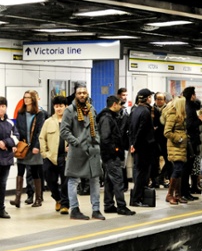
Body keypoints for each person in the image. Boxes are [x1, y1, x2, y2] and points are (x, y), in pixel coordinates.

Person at [60, 84, 105, 220]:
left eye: (84, 93)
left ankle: (96, 209)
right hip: (77, 151)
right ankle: (74, 209)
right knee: (73, 180)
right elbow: (64, 130)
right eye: (79, 93)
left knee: (95, 179)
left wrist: (96, 140)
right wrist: (76, 142)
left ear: (87, 94)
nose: (82, 95)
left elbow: (95, 127)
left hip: (92, 149)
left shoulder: (91, 109)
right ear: (75, 94)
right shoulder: (69, 110)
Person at [96, 95, 135, 216]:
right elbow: (105, 138)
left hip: (109, 155)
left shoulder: (109, 117)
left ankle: (108, 204)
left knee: (109, 180)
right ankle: (121, 206)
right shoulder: (107, 118)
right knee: (118, 180)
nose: (121, 106)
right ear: (114, 104)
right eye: (120, 104)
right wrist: (115, 150)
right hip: (111, 155)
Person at [10, 90, 46, 208]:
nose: (26, 99)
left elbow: (40, 131)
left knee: (35, 173)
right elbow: (17, 130)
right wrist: (16, 144)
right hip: (23, 147)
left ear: (33, 100)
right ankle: (18, 198)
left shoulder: (39, 114)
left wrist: (36, 146)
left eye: (28, 98)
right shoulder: (20, 113)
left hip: (34, 147)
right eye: (25, 97)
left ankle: (38, 198)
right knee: (20, 171)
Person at [39, 95, 70, 215]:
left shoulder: (70, 121)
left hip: (66, 157)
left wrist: (71, 148)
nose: (59, 109)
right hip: (50, 157)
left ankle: (65, 205)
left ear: (65, 107)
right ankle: (57, 198)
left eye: (61, 106)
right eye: (56, 106)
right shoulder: (48, 122)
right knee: (50, 181)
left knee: (65, 182)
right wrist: (45, 154)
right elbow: (42, 138)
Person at [128, 88, 157, 207]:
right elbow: (141, 129)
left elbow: (131, 128)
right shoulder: (145, 111)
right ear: (147, 98)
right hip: (144, 147)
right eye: (150, 96)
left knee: (139, 171)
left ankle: (137, 197)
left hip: (137, 146)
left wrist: (132, 144)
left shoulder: (135, 110)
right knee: (142, 173)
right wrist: (135, 144)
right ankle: (136, 198)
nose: (151, 99)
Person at [163, 96, 189, 205]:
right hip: (175, 146)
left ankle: (177, 195)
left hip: (180, 146)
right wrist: (179, 138)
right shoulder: (173, 115)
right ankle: (170, 195)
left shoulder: (181, 116)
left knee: (180, 170)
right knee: (177, 169)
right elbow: (167, 132)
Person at [0, 96, 19, 219]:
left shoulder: (10, 123)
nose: (1, 108)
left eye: (3, 106)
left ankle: (1, 209)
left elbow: (16, 137)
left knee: (2, 184)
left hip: (6, 159)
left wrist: (6, 142)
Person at [182, 86, 201, 200]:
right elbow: (190, 124)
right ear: (192, 95)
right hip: (190, 141)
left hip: (191, 141)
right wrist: (200, 120)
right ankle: (184, 192)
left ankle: (186, 191)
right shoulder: (190, 107)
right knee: (186, 168)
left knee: (188, 168)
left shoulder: (187, 106)